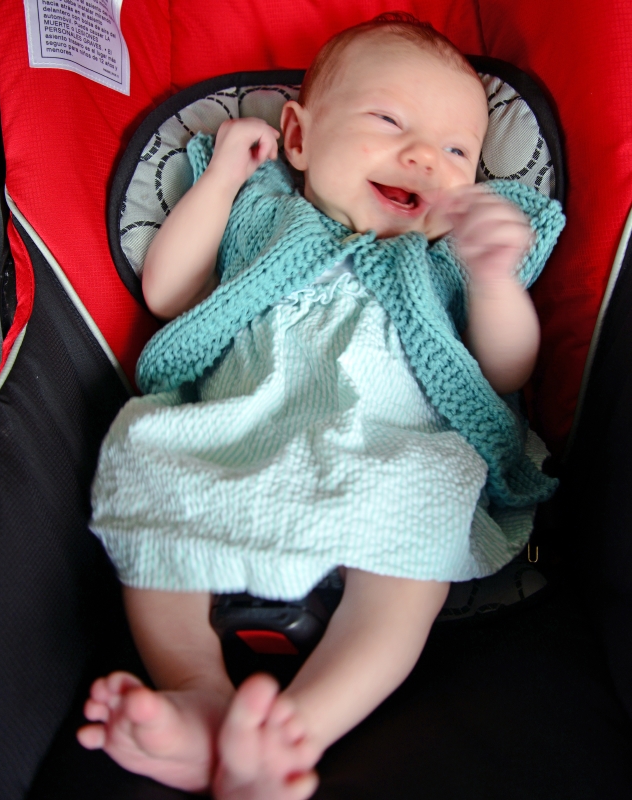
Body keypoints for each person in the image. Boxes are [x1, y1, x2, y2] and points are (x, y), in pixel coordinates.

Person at [77, 14, 564, 800]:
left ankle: (298, 731)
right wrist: (222, 178)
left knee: (420, 528)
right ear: (299, 138)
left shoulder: (449, 252)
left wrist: (494, 278)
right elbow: (168, 293)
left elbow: (509, 368)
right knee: (150, 459)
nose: (424, 157)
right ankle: (196, 690)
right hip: (242, 429)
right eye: (390, 121)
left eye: (457, 151)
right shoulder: (261, 212)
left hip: (391, 448)